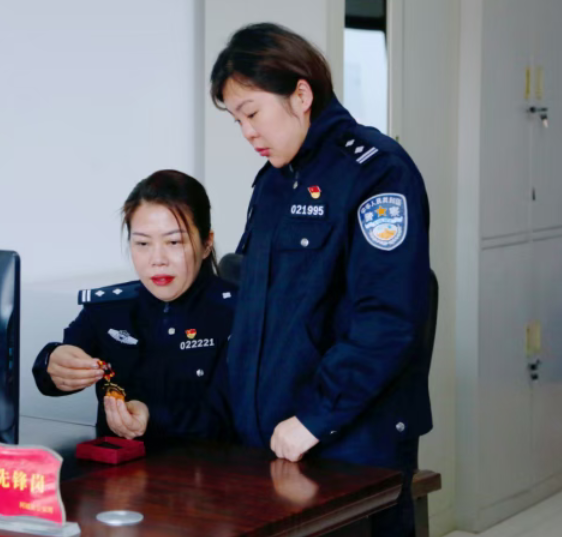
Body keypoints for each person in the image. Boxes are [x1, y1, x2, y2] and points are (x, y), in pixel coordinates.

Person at [210, 23, 433, 536]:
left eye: (252, 113)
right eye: (237, 121)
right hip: (273, 442)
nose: (247, 133)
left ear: (301, 95)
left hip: (347, 442)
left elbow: (388, 318)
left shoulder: (376, 170)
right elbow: (254, 312)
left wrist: (315, 418)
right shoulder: (272, 183)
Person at [32, 170, 236, 442]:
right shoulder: (108, 308)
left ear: (206, 244)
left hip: (214, 465)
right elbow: (52, 372)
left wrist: (152, 418)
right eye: (142, 243)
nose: (157, 259)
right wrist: (54, 363)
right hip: (115, 465)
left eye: (174, 242)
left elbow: (232, 416)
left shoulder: (240, 312)